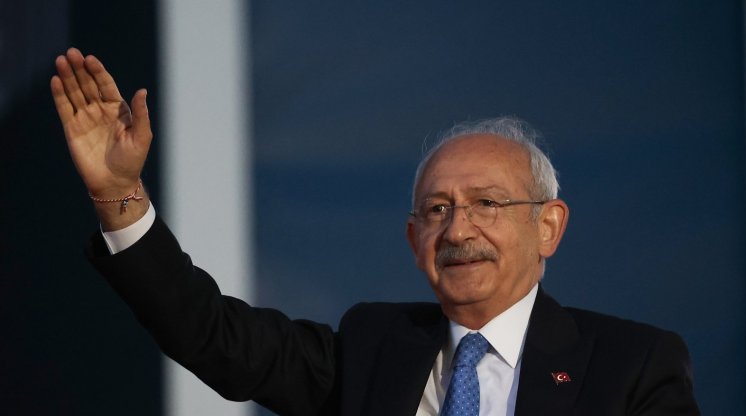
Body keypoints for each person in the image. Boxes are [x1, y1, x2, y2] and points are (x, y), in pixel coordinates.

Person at [51, 47, 700, 415]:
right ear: (414, 239)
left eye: (487, 203)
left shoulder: (630, 366)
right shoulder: (373, 349)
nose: (458, 228)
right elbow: (214, 336)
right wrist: (117, 194)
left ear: (549, 226)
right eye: (437, 209)